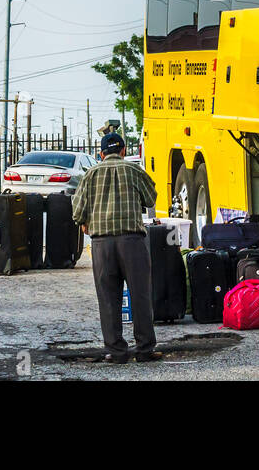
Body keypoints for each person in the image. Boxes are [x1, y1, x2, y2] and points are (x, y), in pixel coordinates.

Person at [71, 132, 162, 364]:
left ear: (101, 154)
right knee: (140, 295)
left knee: (108, 298)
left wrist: (85, 222)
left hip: (102, 245)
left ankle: (117, 352)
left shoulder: (90, 175)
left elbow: (77, 211)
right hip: (132, 242)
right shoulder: (134, 171)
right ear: (123, 151)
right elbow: (151, 199)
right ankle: (144, 350)